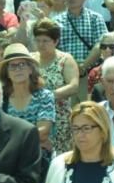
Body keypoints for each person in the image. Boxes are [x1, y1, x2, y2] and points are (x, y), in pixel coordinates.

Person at [0, 43, 56, 171]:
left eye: (22, 64)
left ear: (31, 69)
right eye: (12, 66)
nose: (18, 69)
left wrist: (11, 140)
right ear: (6, 72)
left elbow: (43, 132)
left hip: (38, 162)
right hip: (8, 164)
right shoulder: (0, 99)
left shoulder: (44, 96)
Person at [32, 18, 80, 155]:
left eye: (45, 41)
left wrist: (47, 97)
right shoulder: (30, 60)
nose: (41, 44)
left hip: (60, 120)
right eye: (38, 40)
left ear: (56, 41)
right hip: (35, 118)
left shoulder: (65, 59)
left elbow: (73, 86)